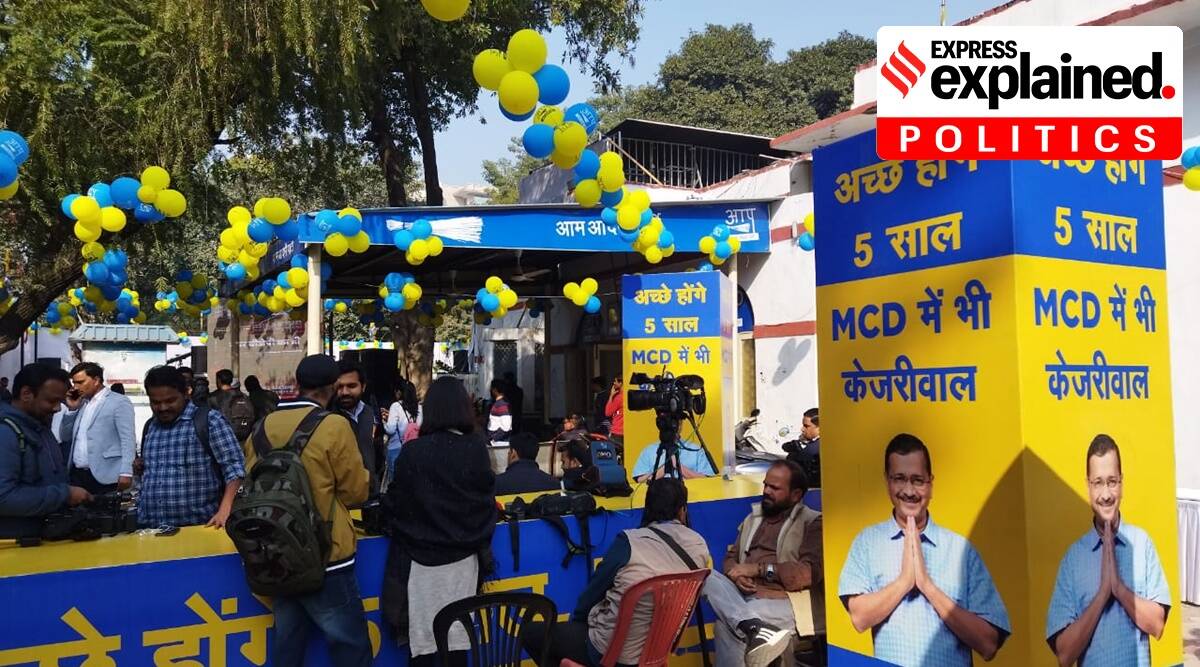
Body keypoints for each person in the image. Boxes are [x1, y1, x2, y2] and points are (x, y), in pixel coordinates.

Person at [243, 354, 371, 666]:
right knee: (350, 646)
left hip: (277, 551)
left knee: (288, 646)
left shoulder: (262, 426)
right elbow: (355, 492)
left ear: (297, 384)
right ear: (333, 387)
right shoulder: (334, 425)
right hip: (327, 553)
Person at [838, 434, 1010, 666]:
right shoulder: (867, 542)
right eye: (899, 479)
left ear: (930, 483)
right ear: (887, 481)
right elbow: (859, 618)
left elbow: (988, 645)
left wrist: (927, 586)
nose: (909, 491)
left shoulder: (961, 550)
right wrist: (904, 582)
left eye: (918, 480)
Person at [522, 478, 710, 666]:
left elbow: (592, 593)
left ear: (647, 508)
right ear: (682, 510)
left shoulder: (629, 542)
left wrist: (578, 622)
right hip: (657, 652)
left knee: (530, 633)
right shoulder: (699, 545)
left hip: (614, 654)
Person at [383, 376, 496, 666]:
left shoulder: (413, 452)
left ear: (430, 410)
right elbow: (485, 501)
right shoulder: (475, 449)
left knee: (422, 644)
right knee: (456, 642)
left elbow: (396, 504)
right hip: (464, 562)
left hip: (421, 563)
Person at [1046, 434, 1170, 667]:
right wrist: (1103, 593)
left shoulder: (1142, 543)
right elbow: (1064, 655)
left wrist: (1119, 589)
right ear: (1088, 485)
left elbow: (1157, 625)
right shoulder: (1073, 559)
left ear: (1121, 483)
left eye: (1112, 482)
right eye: (1098, 483)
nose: (1106, 494)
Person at [705, 460, 822, 667]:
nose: (766, 491)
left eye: (774, 488)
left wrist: (758, 569)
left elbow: (806, 575)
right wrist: (737, 576)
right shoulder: (754, 518)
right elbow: (731, 557)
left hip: (788, 602)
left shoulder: (812, 522)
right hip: (745, 598)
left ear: (796, 495)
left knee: (726, 626)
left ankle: (750, 624)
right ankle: (752, 625)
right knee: (707, 577)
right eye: (766, 485)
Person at [138, 366, 245, 529]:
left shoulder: (210, 421)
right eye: (156, 402)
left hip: (200, 529)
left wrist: (225, 510)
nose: (163, 408)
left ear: (186, 393)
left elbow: (235, 469)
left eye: (170, 401)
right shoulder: (150, 427)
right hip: (152, 530)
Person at [0, 364, 90, 537]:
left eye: (60, 402)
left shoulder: (40, 427)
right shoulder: (5, 433)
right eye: (51, 401)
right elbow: (4, 497)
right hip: (16, 544)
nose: (57, 408)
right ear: (26, 394)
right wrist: (65, 495)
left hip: (42, 539)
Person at [62, 362, 137, 494]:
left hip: (106, 475)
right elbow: (65, 436)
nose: (75, 387)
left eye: (80, 382)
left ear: (96, 380)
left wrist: (126, 471)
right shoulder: (81, 403)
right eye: (74, 383)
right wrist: (72, 410)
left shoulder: (119, 402)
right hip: (77, 475)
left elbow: (128, 439)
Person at [335, 359, 384, 496]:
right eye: (339, 387)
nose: (345, 392)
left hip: (370, 493)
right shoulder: (327, 417)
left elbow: (377, 450)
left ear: (363, 386)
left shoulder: (371, 413)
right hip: (342, 497)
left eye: (351, 386)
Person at [382, 378, 422, 477]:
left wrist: (384, 422)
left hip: (396, 449)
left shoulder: (395, 406)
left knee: (396, 481)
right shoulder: (420, 408)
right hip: (416, 449)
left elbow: (391, 430)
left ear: (399, 392)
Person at [631, 438, 717, 482]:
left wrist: (678, 466)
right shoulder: (649, 450)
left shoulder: (695, 449)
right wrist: (666, 467)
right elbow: (639, 481)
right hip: (657, 500)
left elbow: (708, 480)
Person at [487, 378, 513, 471]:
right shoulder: (500, 403)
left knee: (500, 469)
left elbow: (506, 426)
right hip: (498, 443)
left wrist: (494, 438)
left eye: (491, 388)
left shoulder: (502, 405)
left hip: (500, 444)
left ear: (495, 390)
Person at [605, 377, 625, 451]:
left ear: (621, 383)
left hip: (617, 432)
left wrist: (611, 396)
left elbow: (608, 412)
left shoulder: (619, 398)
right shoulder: (628, 395)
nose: (614, 383)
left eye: (615, 381)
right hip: (625, 431)